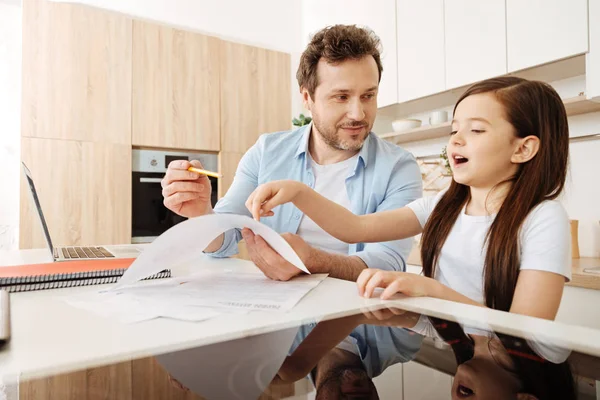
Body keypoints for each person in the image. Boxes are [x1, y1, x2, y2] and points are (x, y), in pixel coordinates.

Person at [246, 76, 571, 319]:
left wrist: (429, 291)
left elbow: (529, 330)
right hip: (462, 358)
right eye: (454, 130)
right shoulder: (444, 206)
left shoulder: (542, 218)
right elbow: (355, 228)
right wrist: (299, 191)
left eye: (476, 130)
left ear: (523, 148)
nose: (456, 140)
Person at [161, 24, 422, 281]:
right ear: (307, 97)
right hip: (281, 317)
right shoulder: (267, 152)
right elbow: (226, 240)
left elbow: (388, 263)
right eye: (341, 97)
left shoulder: (398, 167)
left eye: (368, 96)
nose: (358, 113)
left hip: (361, 319)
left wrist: (312, 262)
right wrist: (201, 214)